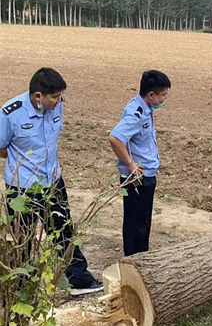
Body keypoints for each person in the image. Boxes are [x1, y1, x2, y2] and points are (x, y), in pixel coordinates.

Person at [0, 67, 103, 296]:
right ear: (38, 96)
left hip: (53, 181)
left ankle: (78, 280)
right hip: (23, 188)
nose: (59, 101)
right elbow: (0, 146)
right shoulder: (10, 113)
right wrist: (21, 160)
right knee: (22, 240)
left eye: (60, 97)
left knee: (64, 231)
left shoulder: (56, 106)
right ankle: (23, 290)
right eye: (55, 97)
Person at [108, 70, 171, 257]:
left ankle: (140, 258)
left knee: (142, 224)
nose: (165, 99)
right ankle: (134, 261)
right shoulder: (135, 114)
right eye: (163, 95)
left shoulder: (144, 109)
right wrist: (130, 166)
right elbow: (115, 138)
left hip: (146, 176)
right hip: (137, 180)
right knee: (136, 225)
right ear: (151, 95)